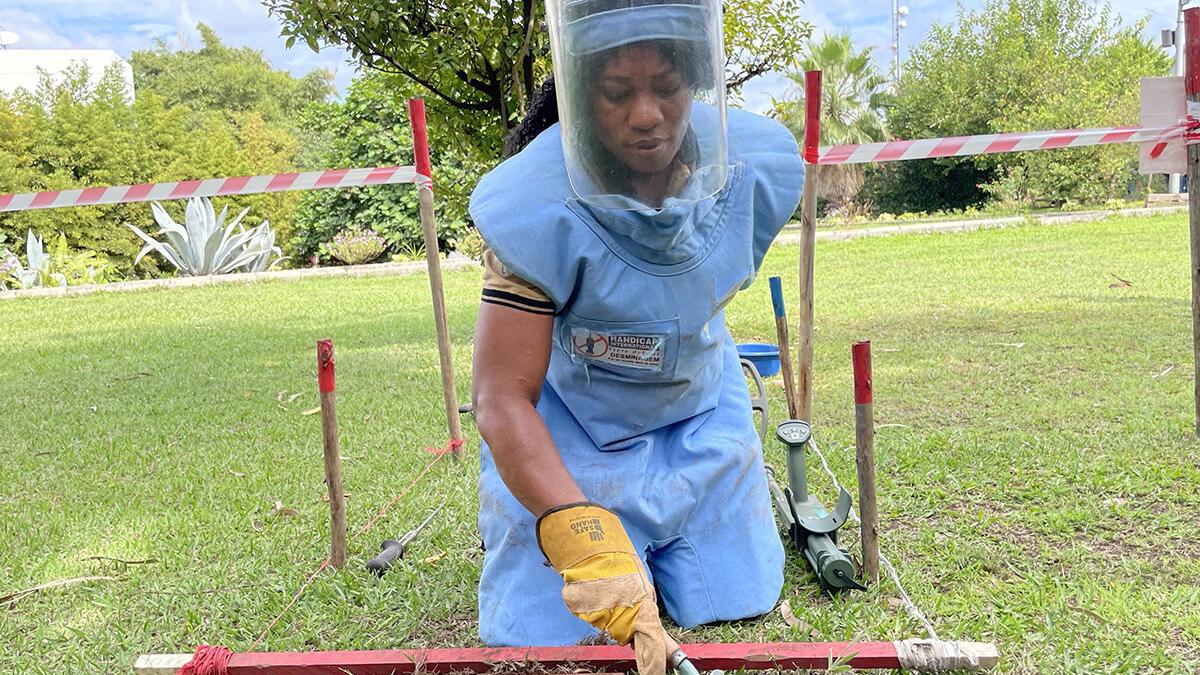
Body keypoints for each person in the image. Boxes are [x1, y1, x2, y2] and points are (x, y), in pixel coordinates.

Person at [469, 1, 804, 672]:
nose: (647, 115)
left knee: (738, 597)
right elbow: (500, 396)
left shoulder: (749, 172)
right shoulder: (535, 209)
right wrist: (578, 529)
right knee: (546, 630)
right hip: (574, 433)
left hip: (701, 416)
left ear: (696, 83)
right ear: (578, 95)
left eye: (667, 87)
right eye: (617, 93)